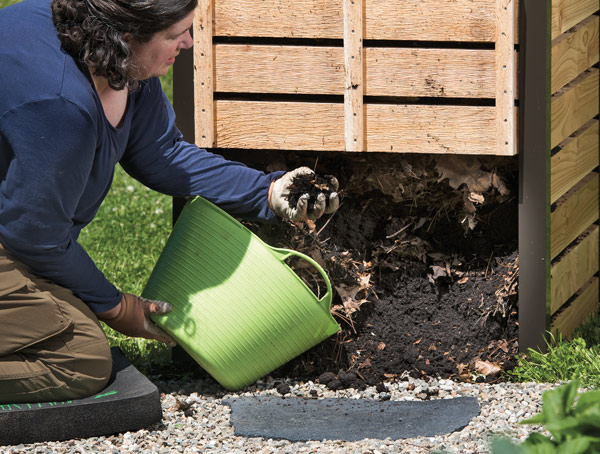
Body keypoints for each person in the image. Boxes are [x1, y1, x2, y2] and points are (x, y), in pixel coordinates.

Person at [0, 0, 339, 404]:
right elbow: (34, 235)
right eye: (176, 34)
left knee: (66, 324)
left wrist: (264, 192)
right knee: (79, 359)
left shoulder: (111, 57)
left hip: (19, 232)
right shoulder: (61, 105)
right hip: (19, 235)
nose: (190, 43)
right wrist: (117, 306)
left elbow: (161, 153)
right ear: (127, 35)